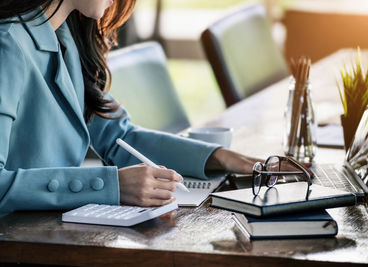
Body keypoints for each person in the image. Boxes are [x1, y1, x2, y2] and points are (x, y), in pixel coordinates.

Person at [0, 0, 261, 214]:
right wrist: (110, 186)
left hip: (47, 236)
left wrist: (219, 157)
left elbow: (119, 137)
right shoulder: (7, 45)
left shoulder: (65, 35)